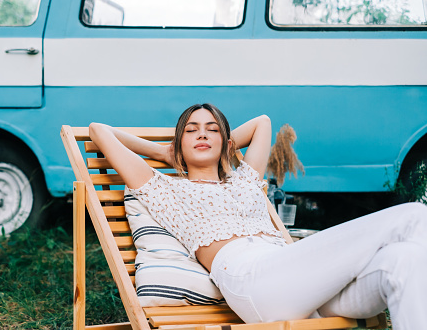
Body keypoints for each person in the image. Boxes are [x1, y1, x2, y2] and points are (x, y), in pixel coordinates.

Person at [89, 103, 427, 330]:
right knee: (413, 215)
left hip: (303, 282)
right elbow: (99, 130)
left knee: (403, 259)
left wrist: (219, 145)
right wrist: (164, 150)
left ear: (228, 142)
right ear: (179, 144)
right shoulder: (164, 190)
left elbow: (262, 123)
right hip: (255, 283)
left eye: (212, 129)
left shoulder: (246, 180)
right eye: (191, 130)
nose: (202, 134)